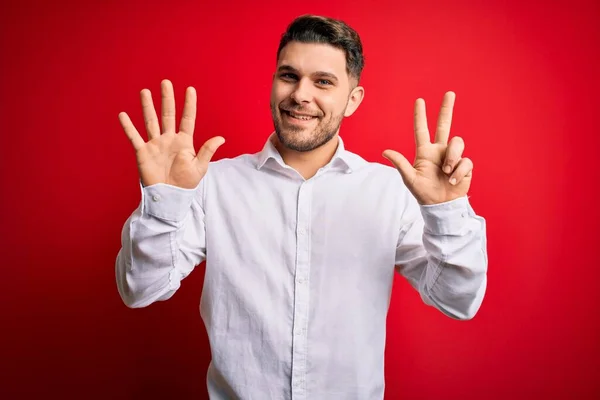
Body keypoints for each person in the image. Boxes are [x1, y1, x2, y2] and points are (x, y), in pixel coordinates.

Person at [115, 14, 487, 400]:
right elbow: (140, 289)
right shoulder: (212, 183)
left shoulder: (389, 190)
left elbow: (458, 300)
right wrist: (164, 198)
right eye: (289, 76)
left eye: (323, 81)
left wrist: (446, 212)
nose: (300, 95)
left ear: (353, 99)